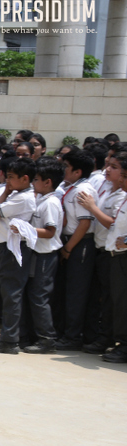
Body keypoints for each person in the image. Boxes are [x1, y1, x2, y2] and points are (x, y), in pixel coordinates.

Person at [0, 157, 37, 354]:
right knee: (7, 294)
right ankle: (9, 336)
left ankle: (9, 340)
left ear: (25, 179)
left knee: (11, 295)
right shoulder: (16, 194)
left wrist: (5, 192)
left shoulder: (24, 198)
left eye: (12, 178)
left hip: (14, 250)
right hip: (3, 247)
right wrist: (7, 190)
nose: (8, 181)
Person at [78, 151, 127, 355]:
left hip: (118, 255)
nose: (108, 170)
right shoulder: (109, 190)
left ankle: (121, 344)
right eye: (108, 165)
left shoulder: (121, 195)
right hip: (107, 251)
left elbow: (113, 223)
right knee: (108, 300)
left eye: (116, 169)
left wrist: (92, 207)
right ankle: (107, 338)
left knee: (119, 301)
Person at [54, 149, 99, 351]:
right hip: (70, 241)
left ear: (78, 171)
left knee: (76, 292)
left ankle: (73, 336)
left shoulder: (83, 191)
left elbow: (84, 223)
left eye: (66, 167)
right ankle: (65, 332)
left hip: (79, 243)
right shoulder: (70, 187)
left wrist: (69, 247)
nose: (64, 170)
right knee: (67, 290)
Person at [22, 158, 65, 354]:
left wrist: (26, 229)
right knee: (34, 295)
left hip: (45, 255)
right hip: (38, 254)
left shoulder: (51, 203)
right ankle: (33, 335)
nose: (33, 183)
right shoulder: (42, 199)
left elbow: (50, 232)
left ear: (48, 182)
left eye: (37, 179)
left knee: (40, 297)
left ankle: (47, 339)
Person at [102, 152, 127, 363]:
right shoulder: (123, 198)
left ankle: (124, 346)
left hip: (123, 256)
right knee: (118, 303)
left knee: (123, 304)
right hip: (115, 256)